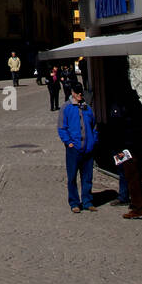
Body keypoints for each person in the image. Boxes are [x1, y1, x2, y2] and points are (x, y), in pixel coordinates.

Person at [57, 84, 98, 213]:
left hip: (88, 148)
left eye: (82, 93)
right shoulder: (66, 107)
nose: (81, 95)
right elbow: (61, 127)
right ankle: (74, 202)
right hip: (74, 149)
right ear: (73, 93)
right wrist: (68, 142)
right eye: (78, 93)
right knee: (72, 177)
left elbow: (94, 126)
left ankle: (87, 201)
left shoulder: (87, 108)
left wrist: (93, 140)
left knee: (87, 177)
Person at [109, 91, 142, 219]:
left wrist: (125, 143)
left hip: (128, 147)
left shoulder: (127, 109)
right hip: (133, 145)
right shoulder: (134, 107)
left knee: (132, 176)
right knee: (134, 175)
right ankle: (134, 202)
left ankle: (138, 208)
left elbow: (121, 127)